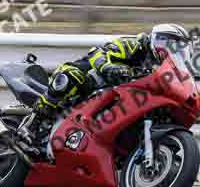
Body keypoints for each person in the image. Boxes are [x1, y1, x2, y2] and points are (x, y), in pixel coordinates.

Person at [33, 24, 191, 123]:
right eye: (172, 48)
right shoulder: (134, 46)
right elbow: (98, 52)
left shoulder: (159, 69)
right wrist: (109, 68)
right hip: (92, 83)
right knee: (72, 76)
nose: (172, 54)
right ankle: (38, 115)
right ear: (160, 41)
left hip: (112, 102)